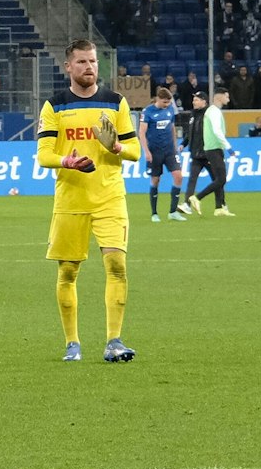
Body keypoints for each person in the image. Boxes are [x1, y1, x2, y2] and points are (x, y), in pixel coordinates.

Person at [37, 40, 141, 364]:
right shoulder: (54, 106)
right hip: (71, 199)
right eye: (81, 62)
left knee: (117, 265)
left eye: (93, 61)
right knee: (68, 272)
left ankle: (114, 341)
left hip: (110, 196)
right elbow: (43, 155)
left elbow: (135, 150)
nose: (89, 67)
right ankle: (72, 343)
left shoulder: (115, 103)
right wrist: (65, 162)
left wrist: (117, 149)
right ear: (68, 66)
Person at [180, 90, 234, 217]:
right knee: (207, 179)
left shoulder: (207, 113)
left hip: (206, 152)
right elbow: (191, 132)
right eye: (194, 100)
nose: (194, 102)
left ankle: (220, 205)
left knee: (218, 180)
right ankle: (190, 202)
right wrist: (184, 143)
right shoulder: (195, 114)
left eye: (196, 100)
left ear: (204, 101)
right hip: (201, 152)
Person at [139, 86, 186, 222]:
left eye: (168, 102)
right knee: (155, 180)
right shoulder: (148, 112)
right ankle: (154, 213)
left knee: (178, 176)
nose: (167, 105)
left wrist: (175, 144)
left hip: (170, 150)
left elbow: (171, 127)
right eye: (165, 102)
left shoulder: (170, 109)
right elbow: (141, 132)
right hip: (154, 151)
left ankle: (173, 212)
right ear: (158, 99)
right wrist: (146, 151)